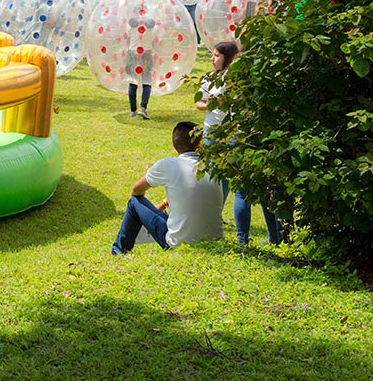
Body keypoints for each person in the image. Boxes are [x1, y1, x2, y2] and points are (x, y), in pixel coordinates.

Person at [197, 41, 284, 246]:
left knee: (240, 188)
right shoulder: (209, 78)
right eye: (212, 54)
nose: (212, 58)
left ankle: (243, 239)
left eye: (217, 55)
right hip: (212, 132)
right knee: (217, 180)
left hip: (235, 135)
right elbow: (199, 102)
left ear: (228, 58)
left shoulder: (239, 81)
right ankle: (215, 220)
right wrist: (208, 103)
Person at [110, 121, 223, 255]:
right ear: (199, 143)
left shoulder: (168, 164)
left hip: (178, 243)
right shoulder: (213, 166)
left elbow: (136, 190)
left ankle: (117, 251)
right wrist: (164, 203)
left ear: (174, 144)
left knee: (134, 202)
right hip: (215, 240)